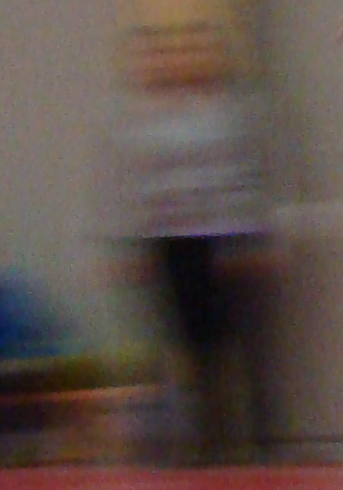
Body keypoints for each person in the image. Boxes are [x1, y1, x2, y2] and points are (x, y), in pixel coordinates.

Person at [110, 25, 277, 463]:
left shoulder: (234, 111)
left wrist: (256, 235)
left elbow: (249, 174)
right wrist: (127, 242)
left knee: (229, 339)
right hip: (169, 239)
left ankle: (240, 438)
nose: (178, 64)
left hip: (223, 233)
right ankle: (192, 438)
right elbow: (127, 186)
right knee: (181, 341)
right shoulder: (136, 120)